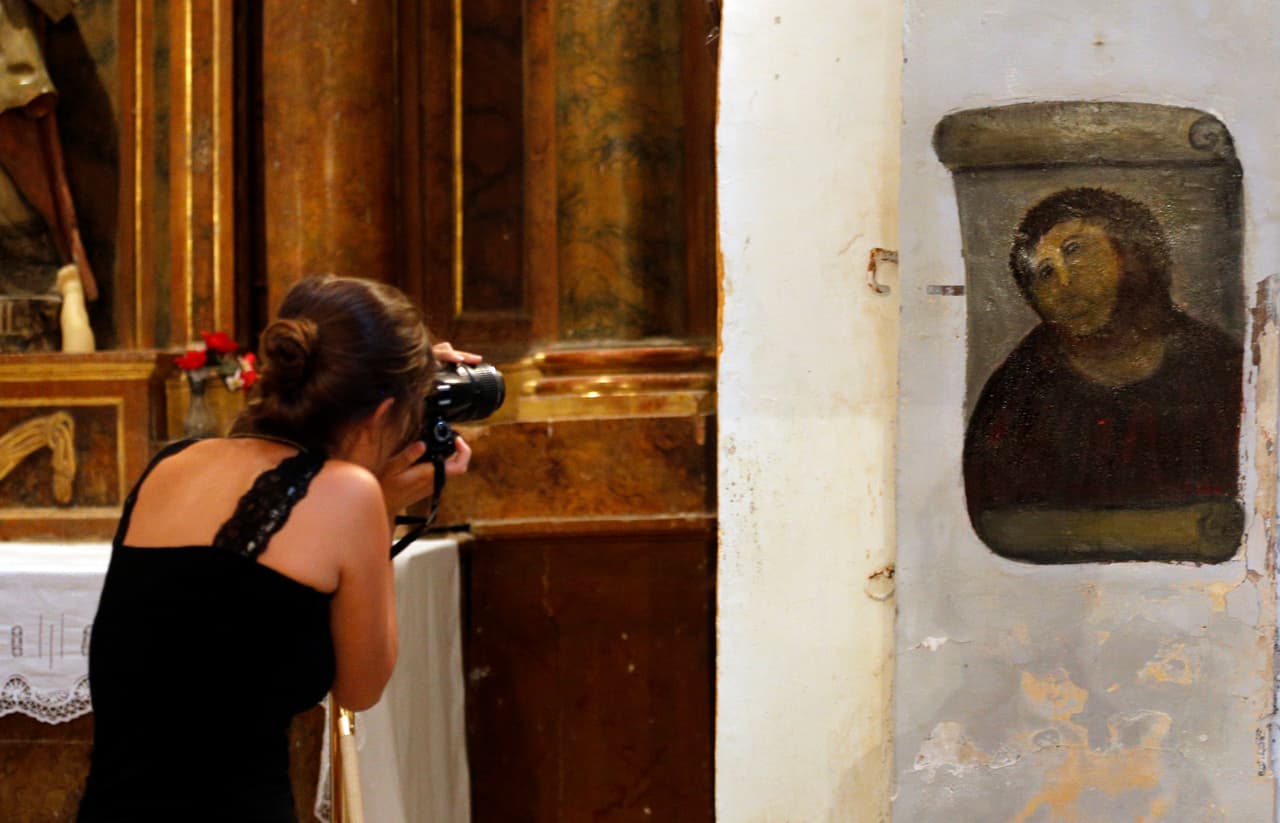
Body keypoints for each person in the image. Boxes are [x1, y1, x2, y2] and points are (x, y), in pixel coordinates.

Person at [77, 275, 480, 821]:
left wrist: (389, 379)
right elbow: (361, 688)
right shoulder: (352, 496)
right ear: (385, 411)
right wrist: (383, 504)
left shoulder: (170, 466)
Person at [963, 188, 1243, 563]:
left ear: (1134, 249)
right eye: (1043, 273)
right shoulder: (1018, 393)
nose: (1062, 283)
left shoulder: (1219, 366)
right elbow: (997, 524)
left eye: (1074, 250)